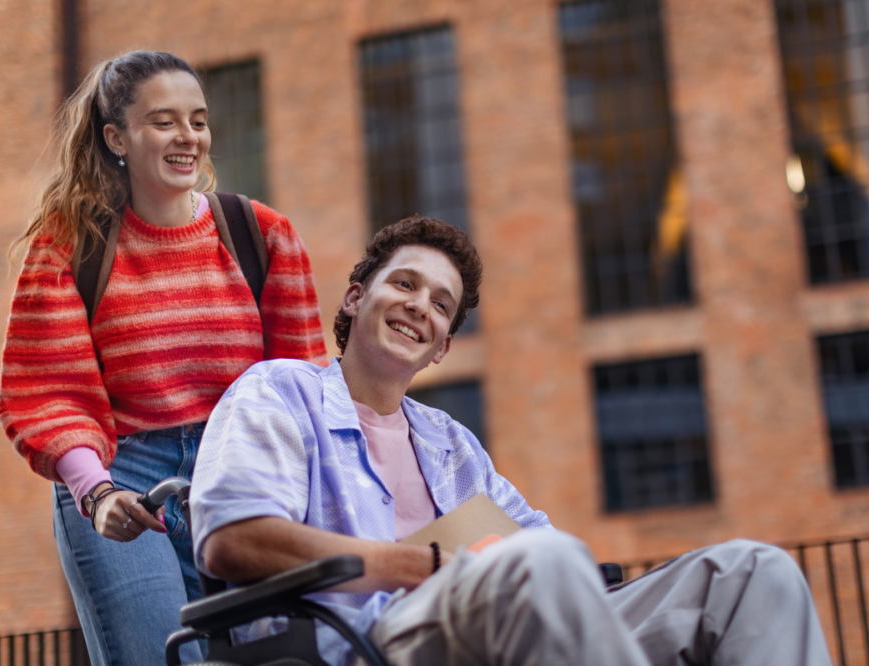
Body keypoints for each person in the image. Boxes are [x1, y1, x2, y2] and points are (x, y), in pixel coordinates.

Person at [190, 216, 832, 666]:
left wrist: (536, 568)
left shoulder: (451, 443)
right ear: (356, 298)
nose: (421, 306)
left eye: (442, 305)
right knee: (536, 567)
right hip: (364, 641)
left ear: (442, 348)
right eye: (405, 284)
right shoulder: (280, 391)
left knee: (754, 573)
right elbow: (231, 539)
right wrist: (415, 566)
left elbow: (545, 551)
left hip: (503, 622)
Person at [0, 50, 327, 665]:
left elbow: (303, 385)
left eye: (198, 121)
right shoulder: (70, 245)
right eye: (165, 121)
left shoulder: (262, 234)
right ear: (116, 137)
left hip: (241, 474)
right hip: (122, 477)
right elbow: (47, 393)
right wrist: (94, 492)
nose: (189, 137)